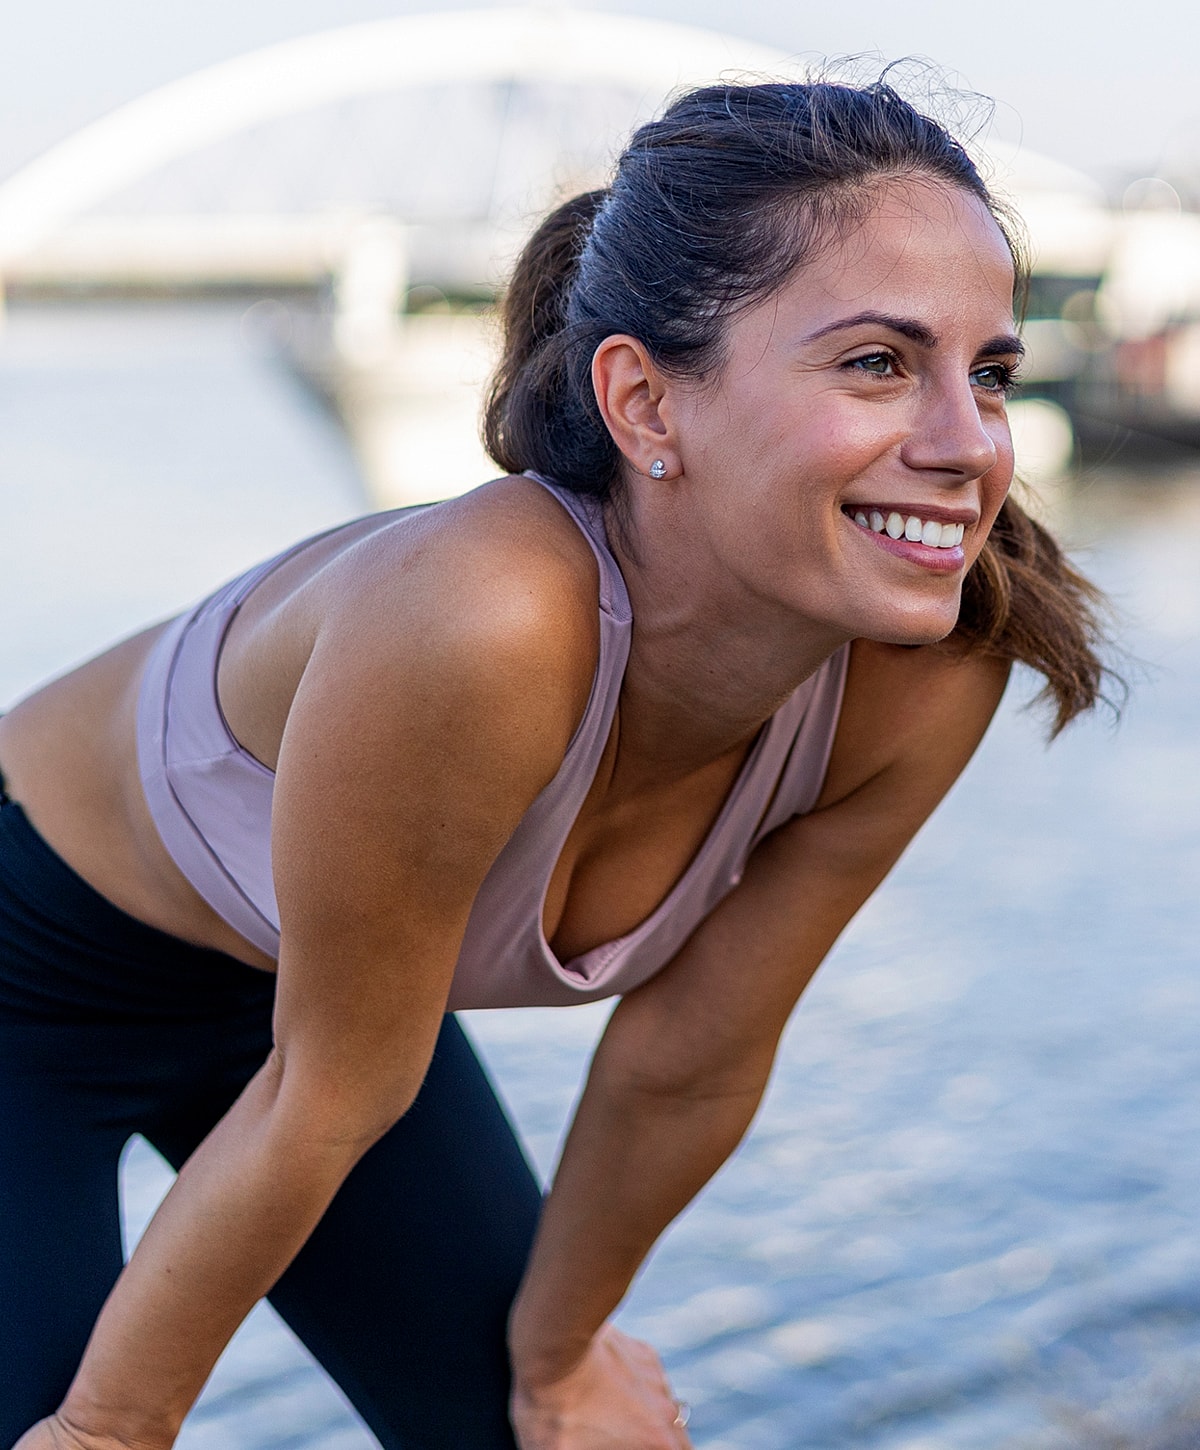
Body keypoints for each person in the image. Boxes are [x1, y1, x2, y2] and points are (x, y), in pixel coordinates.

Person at [1, 79, 1108, 1450]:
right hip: (29, 972)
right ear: (646, 400)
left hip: (317, 1028)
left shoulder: (929, 667)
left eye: (988, 371)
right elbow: (326, 1088)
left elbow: (690, 1061)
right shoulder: (488, 614)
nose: (966, 443)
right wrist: (112, 1426)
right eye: (879, 362)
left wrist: (560, 1360)